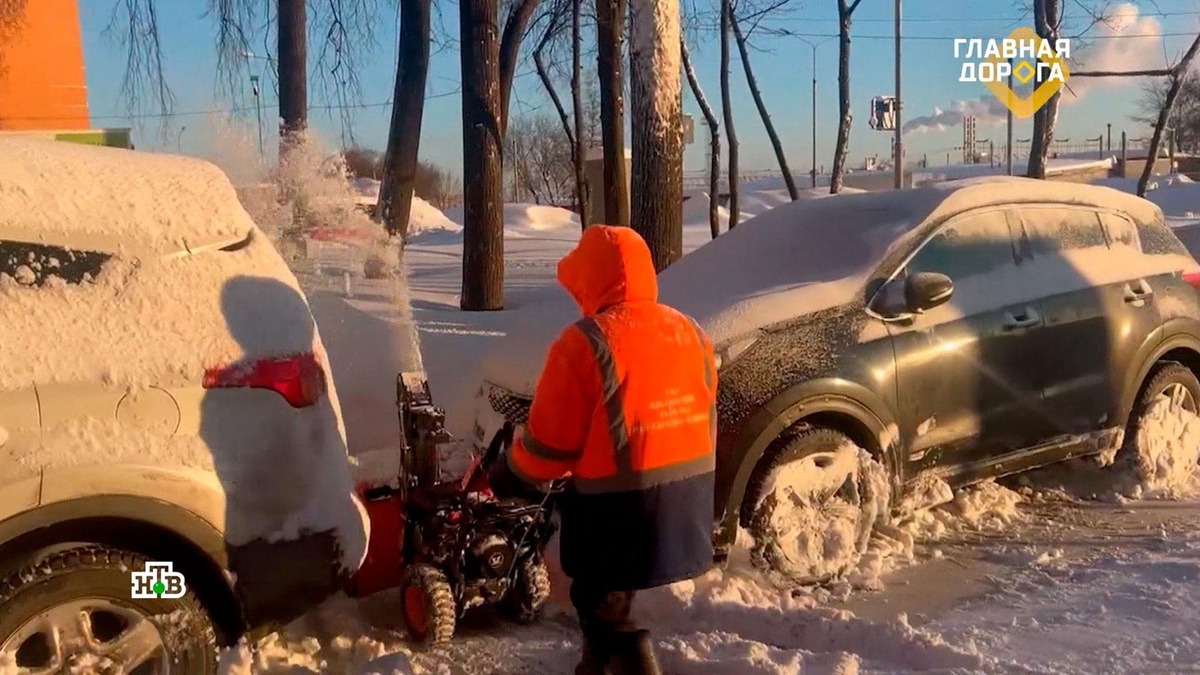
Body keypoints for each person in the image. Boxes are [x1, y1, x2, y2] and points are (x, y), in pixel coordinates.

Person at [488, 225, 718, 675]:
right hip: (688, 504)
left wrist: (505, 474)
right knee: (612, 594)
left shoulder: (585, 344)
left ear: (591, 281)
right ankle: (595, 665)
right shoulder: (690, 331)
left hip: (619, 511)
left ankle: (632, 655)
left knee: (597, 601)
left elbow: (547, 453)